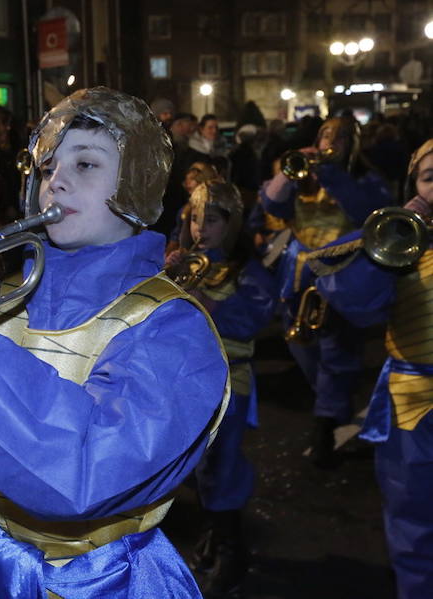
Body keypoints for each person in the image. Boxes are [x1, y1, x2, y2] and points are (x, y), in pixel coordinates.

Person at [0, 87, 230, 597]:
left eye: (86, 165)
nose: (56, 182)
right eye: (47, 166)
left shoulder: (173, 328)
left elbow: (86, 474)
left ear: (137, 181)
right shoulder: (8, 297)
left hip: (108, 579)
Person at [313, 139, 433, 599]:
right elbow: (351, 297)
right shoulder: (403, 244)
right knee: (416, 529)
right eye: (429, 178)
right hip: (414, 409)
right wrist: (402, 226)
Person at [260, 116, 392, 467]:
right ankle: (333, 410)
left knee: (337, 352)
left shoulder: (364, 178)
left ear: (353, 144)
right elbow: (272, 207)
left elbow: (369, 212)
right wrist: (286, 176)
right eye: (323, 136)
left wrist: (334, 175)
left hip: (342, 273)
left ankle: (326, 425)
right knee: (300, 344)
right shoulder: (306, 176)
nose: (327, 142)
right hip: (299, 269)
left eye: (337, 138)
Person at [167, 182, 275, 597]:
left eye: (211, 219)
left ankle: (233, 551)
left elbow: (256, 317)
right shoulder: (187, 261)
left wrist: (207, 303)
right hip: (187, 380)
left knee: (222, 468)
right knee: (199, 467)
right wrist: (166, 275)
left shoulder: (246, 270)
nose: (200, 228)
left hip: (231, 381)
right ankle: (216, 534)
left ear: (231, 223)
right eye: (195, 218)